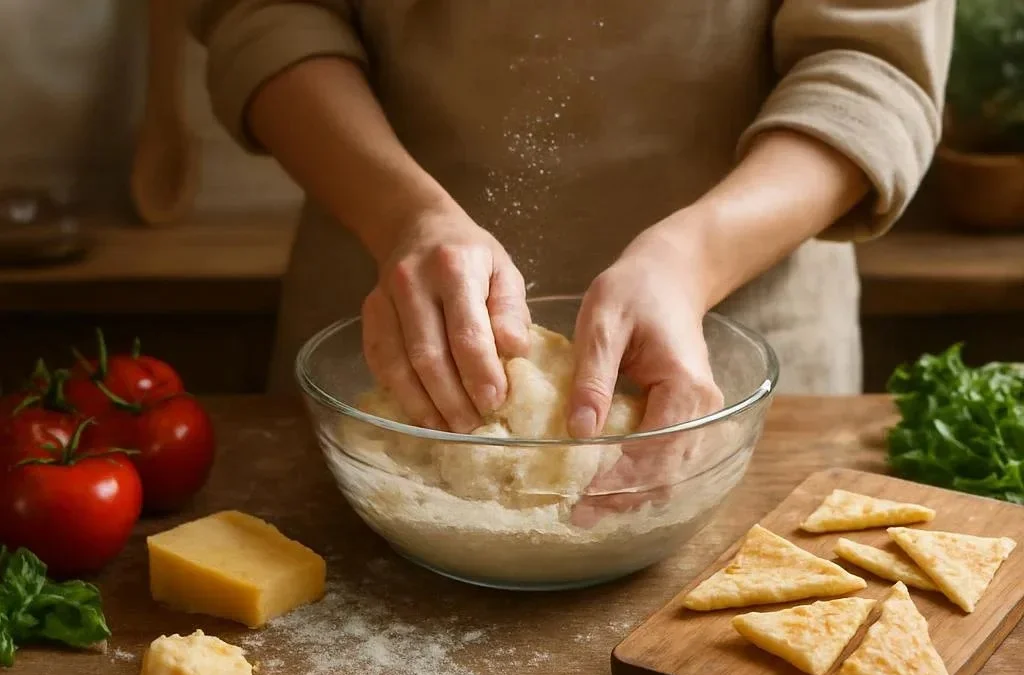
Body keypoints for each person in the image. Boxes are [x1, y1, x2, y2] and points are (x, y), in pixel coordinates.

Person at [191, 0, 953, 440]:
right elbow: (266, 12)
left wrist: (693, 262)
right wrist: (402, 216)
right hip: (384, 330)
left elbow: (870, 64)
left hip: (736, 339)